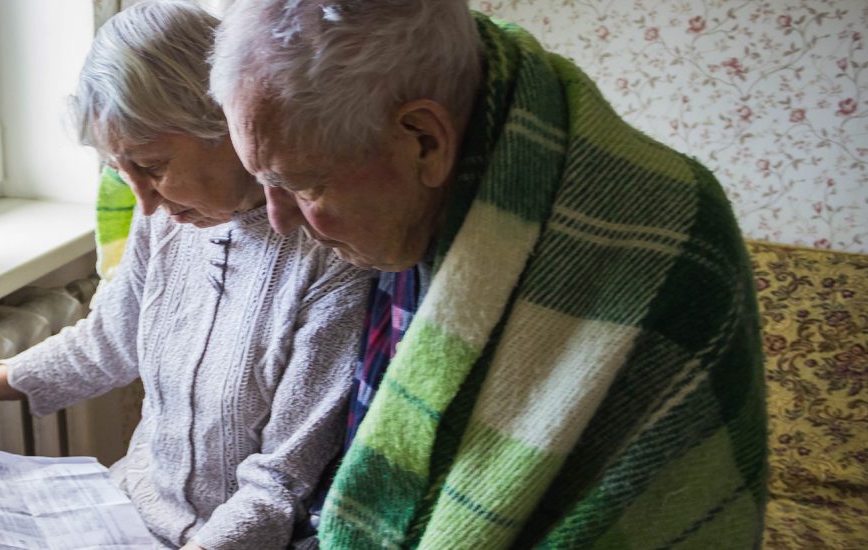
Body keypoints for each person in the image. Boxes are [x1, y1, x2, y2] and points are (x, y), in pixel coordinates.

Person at [210, 1, 767, 548]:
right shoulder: (407, 199)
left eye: (302, 184)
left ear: (425, 142)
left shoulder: (671, 239)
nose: (279, 220)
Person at [0, 2, 373, 549]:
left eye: (153, 167)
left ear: (227, 123)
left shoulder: (333, 256)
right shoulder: (167, 222)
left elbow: (281, 482)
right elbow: (108, 341)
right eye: (120, 170)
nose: (145, 204)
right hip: (129, 512)